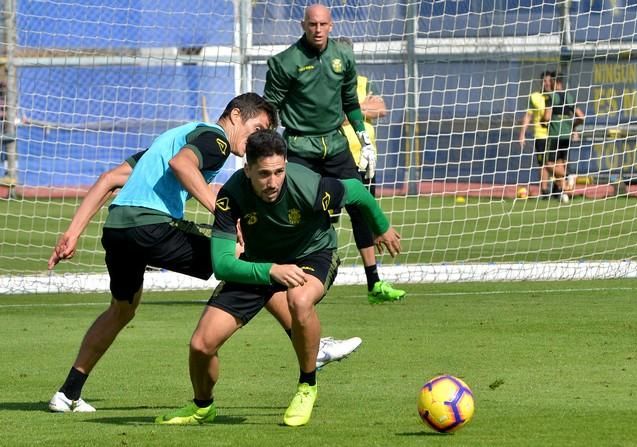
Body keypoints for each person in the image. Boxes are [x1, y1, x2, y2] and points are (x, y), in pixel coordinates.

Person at [47, 93, 361, 413]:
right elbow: (182, 165)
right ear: (236, 115)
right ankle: (312, 346)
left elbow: (109, 179)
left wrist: (71, 234)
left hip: (117, 229)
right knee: (244, 255)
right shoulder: (216, 139)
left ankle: (68, 393)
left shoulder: (173, 137)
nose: (259, 139)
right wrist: (223, 214)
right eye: (257, 128)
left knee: (121, 310)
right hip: (152, 227)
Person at [156, 129, 402, 427]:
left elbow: (358, 192)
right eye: (263, 174)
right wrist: (270, 270)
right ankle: (202, 407)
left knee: (299, 300)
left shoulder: (311, 187)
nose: (272, 182)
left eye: (278, 172)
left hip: (314, 255)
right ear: (246, 169)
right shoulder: (230, 196)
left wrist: (382, 227)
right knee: (201, 346)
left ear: (285, 164)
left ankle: (306, 385)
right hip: (260, 263)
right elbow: (222, 265)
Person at [263, 3, 406, 305]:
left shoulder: (343, 57)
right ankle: (282, 275)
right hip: (300, 147)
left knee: (360, 206)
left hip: (336, 145)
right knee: (297, 212)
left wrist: (364, 138)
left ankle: (374, 283)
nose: (317, 30)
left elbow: (351, 103)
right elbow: (269, 110)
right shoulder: (284, 62)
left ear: (331, 26)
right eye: (312, 24)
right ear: (303, 25)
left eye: (323, 24)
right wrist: (268, 149)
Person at [334, 36, 388, 197]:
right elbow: (336, 117)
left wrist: (351, 108)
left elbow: (381, 109)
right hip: (335, 156)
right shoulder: (327, 84)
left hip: (364, 156)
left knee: (366, 212)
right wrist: (364, 105)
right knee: (330, 212)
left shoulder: (364, 82)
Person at [543, 73, 585, 203]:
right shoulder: (569, 97)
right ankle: (564, 193)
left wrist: (542, 121)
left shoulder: (551, 97)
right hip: (566, 136)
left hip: (555, 135)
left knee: (548, 165)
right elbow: (581, 117)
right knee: (560, 162)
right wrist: (572, 126)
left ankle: (568, 175)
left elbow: (547, 118)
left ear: (554, 82)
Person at [518, 70, 554, 198]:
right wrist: (522, 134)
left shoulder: (558, 96)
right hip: (541, 135)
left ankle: (559, 187)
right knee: (543, 164)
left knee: (557, 162)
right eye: (544, 81)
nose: (547, 84)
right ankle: (544, 191)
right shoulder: (535, 97)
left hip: (556, 135)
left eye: (549, 81)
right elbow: (528, 115)